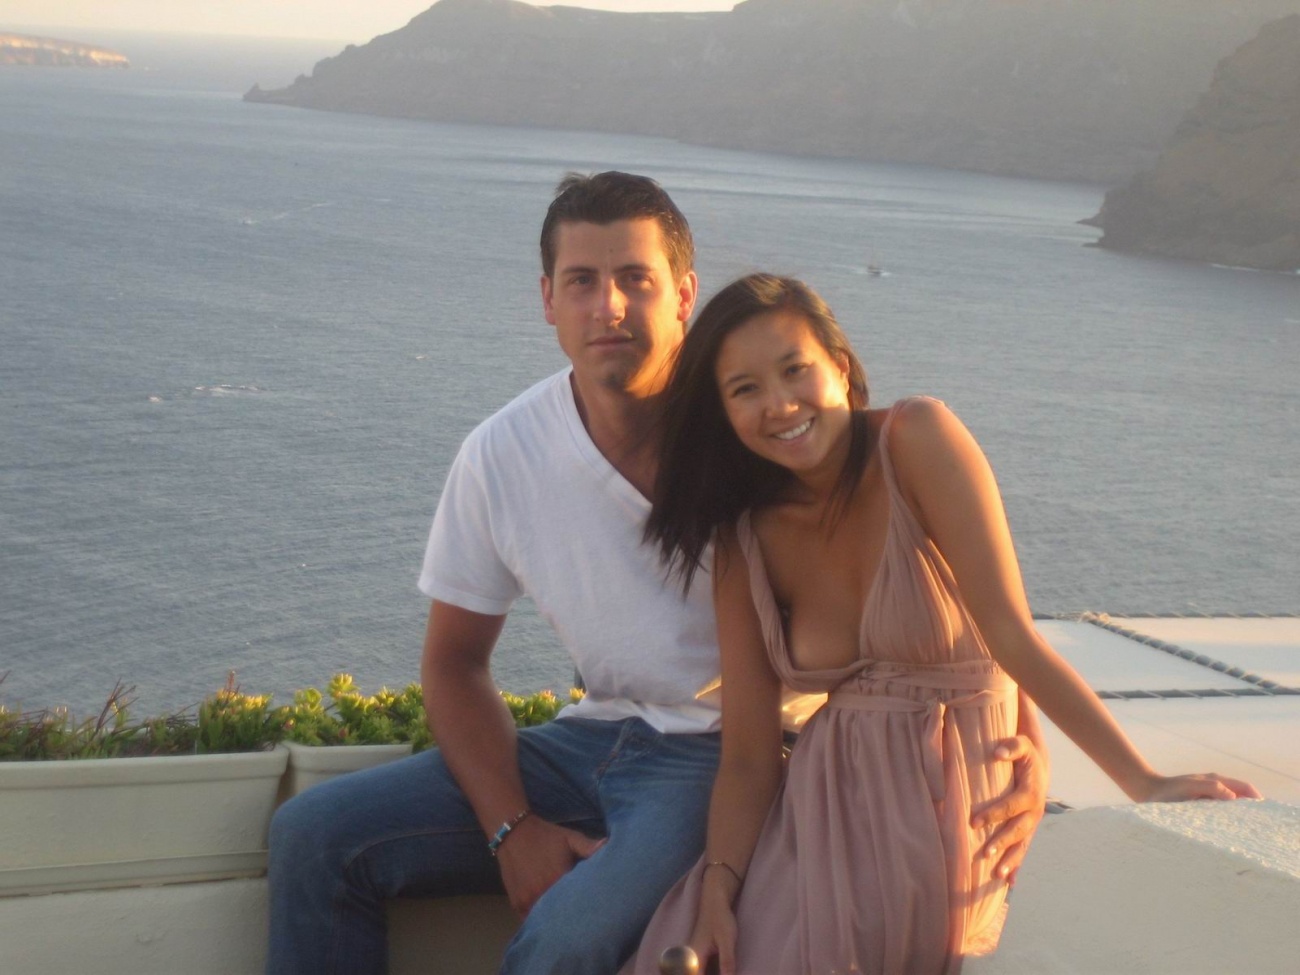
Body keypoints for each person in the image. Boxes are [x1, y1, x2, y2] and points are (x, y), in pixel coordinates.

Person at [265, 174, 1050, 975]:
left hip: (720, 757)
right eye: (582, 281)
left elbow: (947, 586)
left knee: (564, 940)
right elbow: (454, 661)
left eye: (635, 279)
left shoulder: (763, 432)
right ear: (547, 299)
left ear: (683, 295)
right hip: (585, 739)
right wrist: (512, 828)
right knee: (313, 836)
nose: (608, 306)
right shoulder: (501, 454)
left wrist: (1023, 736)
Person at [623, 274, 1262, 975]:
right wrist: (718, 889)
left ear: (841, 366)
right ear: (722, 413)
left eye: (795, 369)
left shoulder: (916, 440)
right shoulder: (744, 537)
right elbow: (748, 756)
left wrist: (1143, 780)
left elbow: (1012, 636)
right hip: (818, 813)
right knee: (689, 947)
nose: (779, 404)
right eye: (745, 389)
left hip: (950, 812)